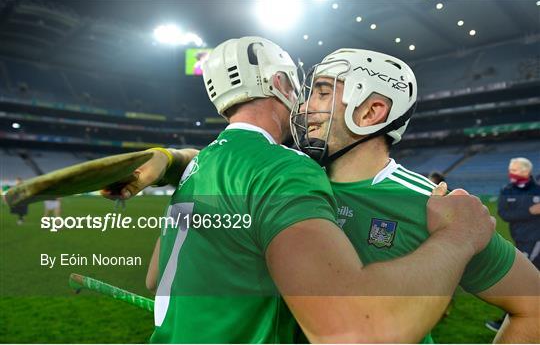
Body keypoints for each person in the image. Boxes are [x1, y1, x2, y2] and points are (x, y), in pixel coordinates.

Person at [104, 37, 495, 343]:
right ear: (280, 83)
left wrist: (171, 160)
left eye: (321, 93)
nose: (306, 104)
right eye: (305, 89)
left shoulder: (200, 164)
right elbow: (350, 329)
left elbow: (156, 278)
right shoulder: (288, 166)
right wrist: (459, 237)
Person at [290, 48, 540, 343]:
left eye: (321, 92)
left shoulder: (433, 204)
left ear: (371, 112)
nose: (305, 107)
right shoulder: (290, 186)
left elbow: (533, 306)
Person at [484, 157, 540, 332]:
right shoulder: (506, 190)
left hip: (535, 240)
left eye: (515, 169)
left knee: (522, 280)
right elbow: (505, 214)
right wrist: (530, 211)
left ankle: (507, 321)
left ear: (527, 171)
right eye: (510, 169)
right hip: (519, 239)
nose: (511, 173)